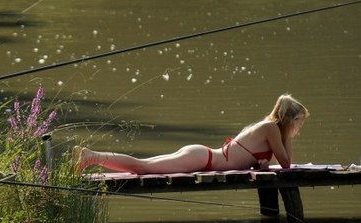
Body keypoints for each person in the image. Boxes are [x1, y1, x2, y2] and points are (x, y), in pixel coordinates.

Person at [74, 94, 309, 174]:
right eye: (299, 124)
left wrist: (261, 163)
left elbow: (265, 159)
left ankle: (92, 156)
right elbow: (287, 165)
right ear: (290, 120)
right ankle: (91, 156)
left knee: (143, 165)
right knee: (142, 167)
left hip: (202, 156)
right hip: (203, 158)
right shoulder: (272, 128)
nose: (299, 130)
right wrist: (288, 134)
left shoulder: (268, 129)